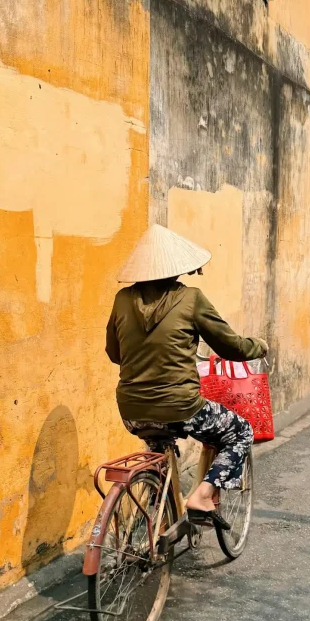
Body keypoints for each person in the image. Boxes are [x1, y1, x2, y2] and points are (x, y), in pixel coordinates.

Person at [105, 224, 268, 529]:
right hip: (180, 406)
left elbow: (115, 354)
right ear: (178, 267)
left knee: (158, 451)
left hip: (131, 409)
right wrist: (259, 345)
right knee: (240, 431)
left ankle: (159, 520)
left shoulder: (122, 299)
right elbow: (230, 347)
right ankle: (202, 496)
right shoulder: (191, 299)